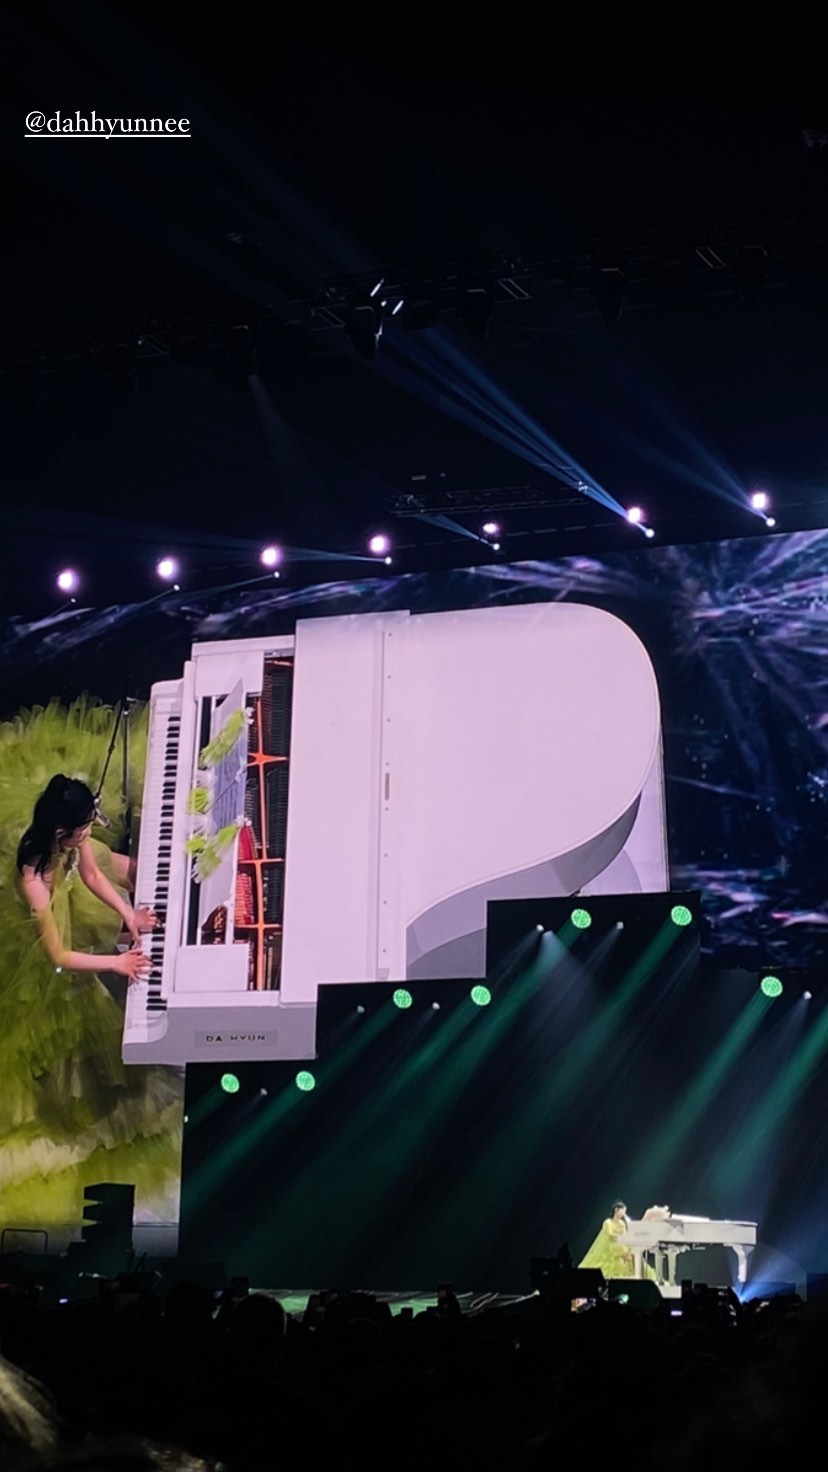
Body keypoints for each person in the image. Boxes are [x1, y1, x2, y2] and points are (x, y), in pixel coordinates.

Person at [0, 698, 184, 1246]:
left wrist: (129, 914)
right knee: (73, 1024)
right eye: (83, 828)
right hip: (50, 948)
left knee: (116, 877)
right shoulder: (35, 880)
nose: (90, 832)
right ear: (62, 830)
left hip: (71, 905)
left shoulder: (73, 844)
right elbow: (58, 956)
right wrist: (118, 962)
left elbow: (93, 874)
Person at [580, 1201, 636, 1278]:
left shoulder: (622, 1223)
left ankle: (634, 1270)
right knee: (621, 1249)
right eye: (622, 1211)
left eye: (625, 1211)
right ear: (616, 1210)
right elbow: (610, 1235)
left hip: (620, 1243)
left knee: (631, 1249)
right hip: (610, 1244)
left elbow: (624, 1235)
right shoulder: (608, 1222)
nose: (624, 1213)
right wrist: (620, 1238)